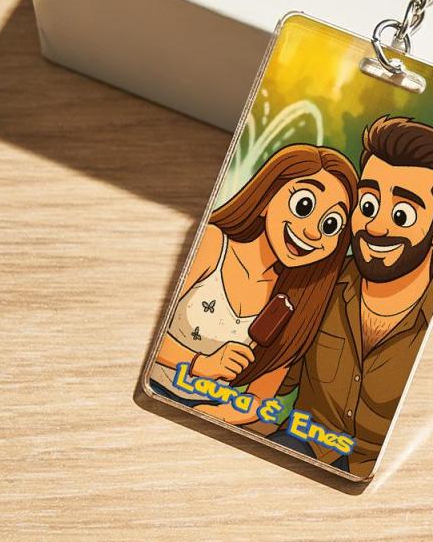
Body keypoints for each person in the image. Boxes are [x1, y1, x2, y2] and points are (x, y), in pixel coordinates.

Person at [269, 116, 433, 477]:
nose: (376, 226)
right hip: (296, 448)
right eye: (368, 205)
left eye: (402, 214)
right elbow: (272, 376)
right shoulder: (319, 285)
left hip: (401, 471)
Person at [148, 144, 357, 418]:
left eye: (330, 224)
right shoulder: (213, 244)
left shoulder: (296, 301)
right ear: (267, 198)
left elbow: (259, 400)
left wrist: (220, 415)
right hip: (155, 387)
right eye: (303, 206)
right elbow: (149, 329)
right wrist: (201, 364)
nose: (312, 233)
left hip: (211, 412)